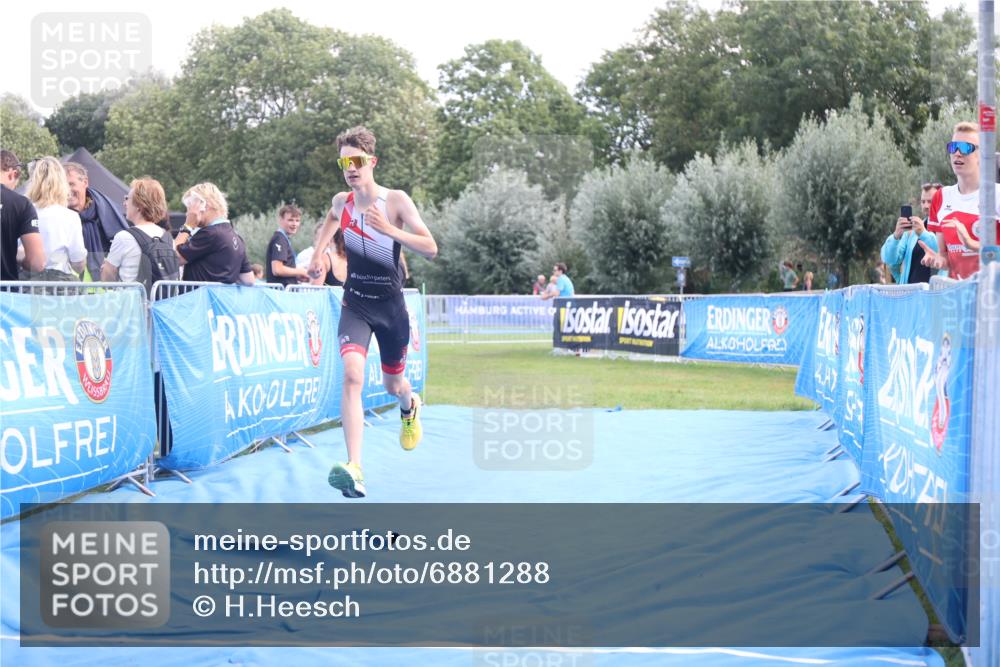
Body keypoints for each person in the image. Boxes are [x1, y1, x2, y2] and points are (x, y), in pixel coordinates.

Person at [308, 126, 437, 498]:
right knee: (351, 375)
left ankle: (409, 405)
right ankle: (355, 468)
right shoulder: (341, 202)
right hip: (356, 303)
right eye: (345, 162)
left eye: (357, 161)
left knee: (392, 385)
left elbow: (430, 247)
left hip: (391, 308)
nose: (351, 168)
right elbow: (331, 221)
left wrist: (391, 232)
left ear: (372, 162)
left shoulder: (394, 201)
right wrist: (318, 254)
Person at [921, 122, 1000, 279]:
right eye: (953, 147)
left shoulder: (996, 195)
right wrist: (939, 259)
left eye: (965, 148)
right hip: (957, 297)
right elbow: (944, 255)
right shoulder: (941, 197)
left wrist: (972, 244)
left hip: (992, 297)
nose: (957, 153)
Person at [101, 178, 178, 291]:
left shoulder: (124, 237)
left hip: (132, 305)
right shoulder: (168, 238)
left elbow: (107, 278)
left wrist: (105, 269)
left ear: (139, 205)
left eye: (127, 198)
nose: (124, 203)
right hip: (161, 305)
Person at [174, 183, 254, 285]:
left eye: (190, 207)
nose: (188, 213)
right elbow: (249, 280)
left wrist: (188, 225)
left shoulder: (210, 234)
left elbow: (173, 258)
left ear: (204, 205)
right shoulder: (237, 238)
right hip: (220, 300)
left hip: (198, 300)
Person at [24, 157, 86, 281]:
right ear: (61, 183)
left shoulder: (22, 212)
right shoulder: (70, 217)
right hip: (60, 288)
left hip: (26, 285)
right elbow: (78, 264)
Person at [64, 162, 129, 279]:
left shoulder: (106, 210)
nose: (67, 190)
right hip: (69, 289)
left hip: (102, 290)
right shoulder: (56, 215)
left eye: (71, 184)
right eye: (63, 185)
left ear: (85, 182)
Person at [881, 183, 940, 284]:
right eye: (923, 201)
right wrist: (896, 236)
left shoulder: (948, 227)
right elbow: (889, 260)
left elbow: (938, 253)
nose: (926, 206)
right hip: (912, 295)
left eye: (930, 201)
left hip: (937, 294)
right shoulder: (911, 233)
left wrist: (923, 233)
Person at [0, 150, 44, 280]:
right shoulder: (22, 204)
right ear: (12, 174)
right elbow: (37, 262)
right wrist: (21, 260)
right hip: (5, 293)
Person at [266, 204, 310, 286]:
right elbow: (277, 270)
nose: (294, 224)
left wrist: (296, 276)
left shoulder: (283, 239)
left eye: (297, 221)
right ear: (281, 220)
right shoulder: (280, 239)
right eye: (290, 220)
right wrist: (301, 271)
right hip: (281, 294)